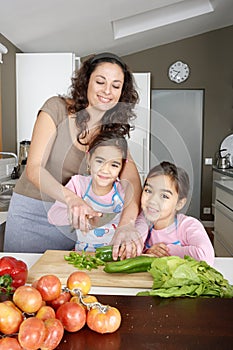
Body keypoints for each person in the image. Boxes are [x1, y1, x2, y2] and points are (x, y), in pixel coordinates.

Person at [4, 52, 144, 257]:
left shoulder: (110, 132)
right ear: (86, 81)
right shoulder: (56, 108)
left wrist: (127, 224)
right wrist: (72, 199)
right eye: (100, 81)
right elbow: (34, 168)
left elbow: (132, 181)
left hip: (73, 222)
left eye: (116, 86)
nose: (107, 91)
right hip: (32, 214)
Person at [48, 131, 139, 252]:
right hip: (82, 256)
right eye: (100, 161)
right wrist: (76, 215)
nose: (105, 170)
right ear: (89, 158)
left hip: (115, 258)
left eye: (114, 165)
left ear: (122, 167)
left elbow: (141, 220)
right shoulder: (78, 185)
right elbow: (53, 216)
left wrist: (135, 239)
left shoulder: (123, 193)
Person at [137, 161, 215, 265]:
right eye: (148, 190)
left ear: (179, 203)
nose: (152, 200)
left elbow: (205, 256)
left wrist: (167, 251)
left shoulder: (188, 225)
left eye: (164, 196)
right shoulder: (142, 222)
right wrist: (149, 252)